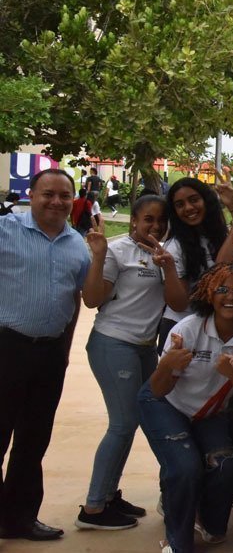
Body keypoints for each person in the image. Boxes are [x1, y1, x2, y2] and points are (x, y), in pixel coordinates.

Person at [138, 263, 233, 553]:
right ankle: (177, 541)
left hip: (209, 414)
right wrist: (170, 365)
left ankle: (207, 521)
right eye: (221, 289)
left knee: (226, 465)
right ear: (209, 293)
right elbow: (159, 389)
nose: (230, 297)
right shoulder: (189, 328)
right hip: (166, 404)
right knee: (184, 468)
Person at [0, 169, 91, 541]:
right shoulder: (5, 231)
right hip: (6, 348)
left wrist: (65, 352)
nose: (56, 202)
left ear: (73, 200)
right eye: (48, 194)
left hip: (50, 354)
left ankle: (18, 519)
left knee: (33, 440)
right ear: (31, 195)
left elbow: (74, 301)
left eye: (64, 196)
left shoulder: (78, 245)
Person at [77, 196, 169, 531]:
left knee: (132, 423)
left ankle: (108, 496)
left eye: (161, 220)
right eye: (148, 219)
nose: (155, 226)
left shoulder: (163, 253)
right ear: (133, 221)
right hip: (114, 343)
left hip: (145, 348)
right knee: (122, 423)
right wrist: (99, 256)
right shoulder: (117, 251)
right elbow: (91, 299)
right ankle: (93, 508)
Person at [156, 177, 229, 351]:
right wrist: (170, 269)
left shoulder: (218, 238)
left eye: (194, 200)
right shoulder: (175, 247)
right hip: (179, 328)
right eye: (180, 204)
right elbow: (179, 304)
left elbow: (227, 273)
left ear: (207, 201)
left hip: (210, 328)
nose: (188, 208)